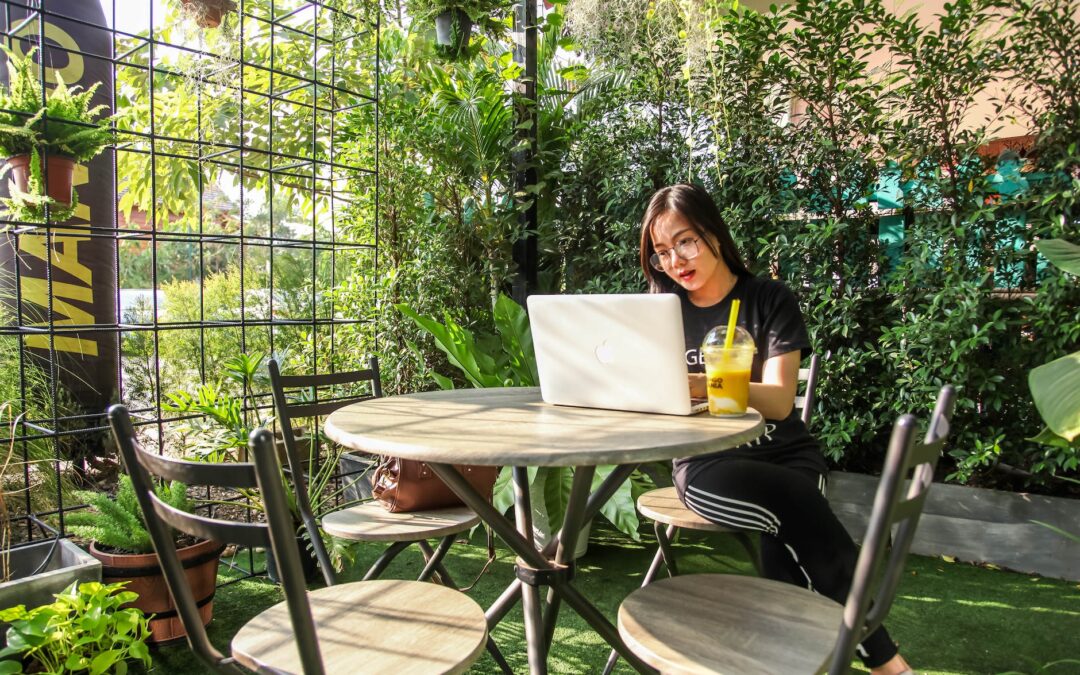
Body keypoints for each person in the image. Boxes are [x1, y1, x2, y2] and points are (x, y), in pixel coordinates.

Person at [639, 183, 913, 675]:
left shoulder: (768, 298)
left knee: (789, 510)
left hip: (787, 452)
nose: (676, 260)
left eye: (685, 241)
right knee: (792, 504)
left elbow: (782, 400)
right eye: (661, 252)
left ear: (714, 236)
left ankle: (785, 659)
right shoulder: (660, 314)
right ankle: (884, 658)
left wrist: (699, 381)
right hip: (708, 464)